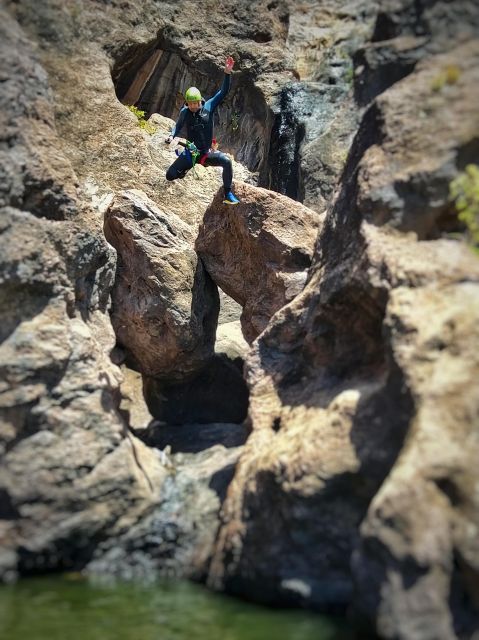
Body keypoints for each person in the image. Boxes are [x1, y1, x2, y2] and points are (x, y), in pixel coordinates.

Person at [165, 56, 240, 205]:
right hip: (192, 153)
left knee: (226, 162)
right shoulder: (185, 112)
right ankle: (183, 171)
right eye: (190, 104)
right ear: (187, 103)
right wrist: (171, 135)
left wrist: (227, 73)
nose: (193, 106)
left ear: (200, 101)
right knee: (170, 175)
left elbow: (223, 92)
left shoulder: (209, 107)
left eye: (195, 103)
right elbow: (178, 126)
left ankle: (227, 193)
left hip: (206, 153)